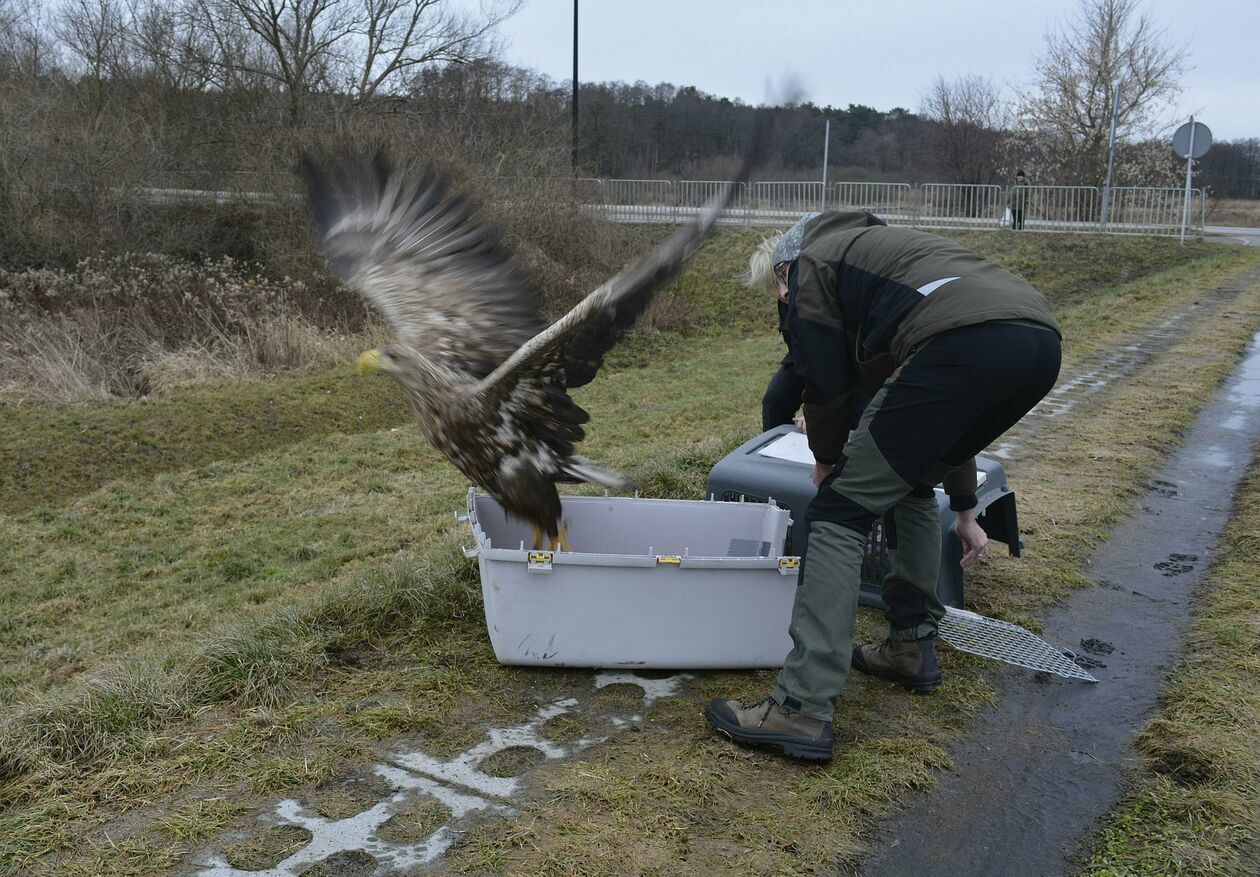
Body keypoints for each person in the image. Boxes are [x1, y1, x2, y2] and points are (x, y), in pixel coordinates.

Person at [706, 211, 1062, 762]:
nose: (783, 299)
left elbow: (821, 382)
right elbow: (935, 430)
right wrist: (965, 508)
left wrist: (826, 464)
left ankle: (800, 707)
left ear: (783, 273)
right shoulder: (887, 262)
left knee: (837, 513)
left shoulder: (815, 264)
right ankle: (910, 648)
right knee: (911, 483)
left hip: (966, 344)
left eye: (779, 290)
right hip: (1036, 345)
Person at [758, 211, 886, 432]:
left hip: (856, 353)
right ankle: (775, 453)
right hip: (810, 352)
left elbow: (832, 357)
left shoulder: (822, 281)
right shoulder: (787, 297)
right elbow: (804, 352)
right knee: (775, 400)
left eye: (782, 278)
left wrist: (819, 412)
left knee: (854, 413)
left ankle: (843, 456)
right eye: (774, 285)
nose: (783, 292)